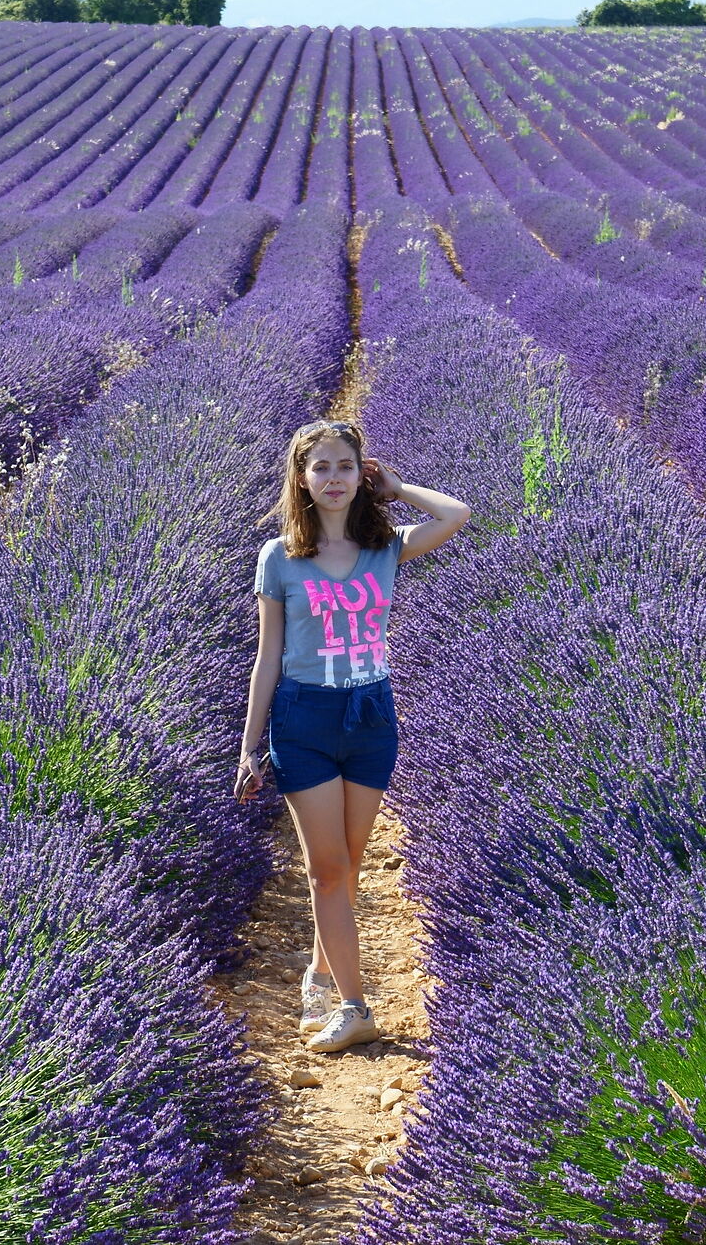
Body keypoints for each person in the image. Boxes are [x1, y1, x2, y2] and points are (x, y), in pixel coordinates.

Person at [236, 418, 470, 1054]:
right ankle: (354, 1004)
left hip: (370, 716)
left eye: (345, 467)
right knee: (327, 870)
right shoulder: (280, 558)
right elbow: (268, 654)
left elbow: (457, 514)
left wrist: (396, 486)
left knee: (348, 864)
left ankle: (321, 971)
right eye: (321, 468)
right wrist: (250, 744)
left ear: (360, 474)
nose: (333, 479)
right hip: (304, 718)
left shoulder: (384, 547)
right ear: (302, 479)